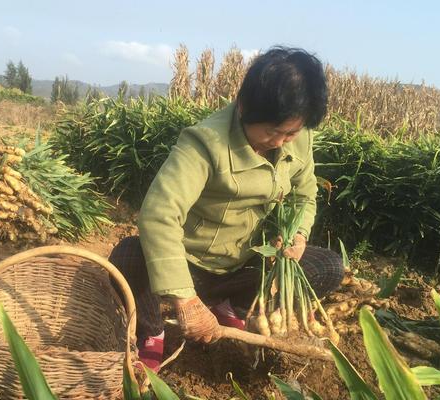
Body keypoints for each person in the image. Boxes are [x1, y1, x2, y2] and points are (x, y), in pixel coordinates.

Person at [109, 46, 344, 372]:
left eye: (291, 132)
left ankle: (235, 307)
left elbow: (305, 195)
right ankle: (151, 332)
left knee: (330, 266)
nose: (281, 141)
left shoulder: (298, 138)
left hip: (245, 264)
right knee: (126, 258)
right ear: (245, 107)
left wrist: (299, 235)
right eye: (273, 131)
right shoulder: (205, 144)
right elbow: (159, 214)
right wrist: (186, 300)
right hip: (191, 264)